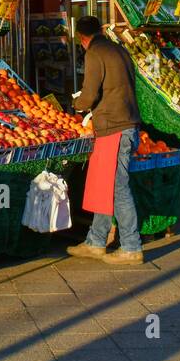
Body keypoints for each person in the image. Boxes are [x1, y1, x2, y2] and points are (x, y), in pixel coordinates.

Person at [65, 15, 143, 265]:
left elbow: (89, 94)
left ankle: (131, 247)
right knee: (105, 184)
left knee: (118, 187)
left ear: (82, 39)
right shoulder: (118, 50)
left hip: (114, 127)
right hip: (126, 122)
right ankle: (96, 241)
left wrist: (76, 105)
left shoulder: (94, 53)